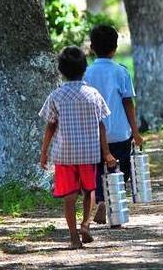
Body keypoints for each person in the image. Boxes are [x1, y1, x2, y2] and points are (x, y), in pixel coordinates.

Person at [39, 47, 117, 249]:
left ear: (61, 71)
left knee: (69, 196)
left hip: (64, 155)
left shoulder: (56, 96)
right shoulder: (93, 95)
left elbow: (50, 125)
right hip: (88, 152)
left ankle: (73, 237)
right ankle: (85, 224)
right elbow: (101, 125)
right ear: (84, 68)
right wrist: (106, 151)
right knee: (89, 190)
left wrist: (44, 152)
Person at [84, 24, 143, 226]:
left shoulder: (86, 73)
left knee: (97, 170)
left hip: (93, 134)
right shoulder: (121, 72)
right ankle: (114, 206)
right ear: (115, 48)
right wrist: (136, 132)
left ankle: (100, 200)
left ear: (92, 47)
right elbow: (128, 103)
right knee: (120, 169)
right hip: (120, 132)